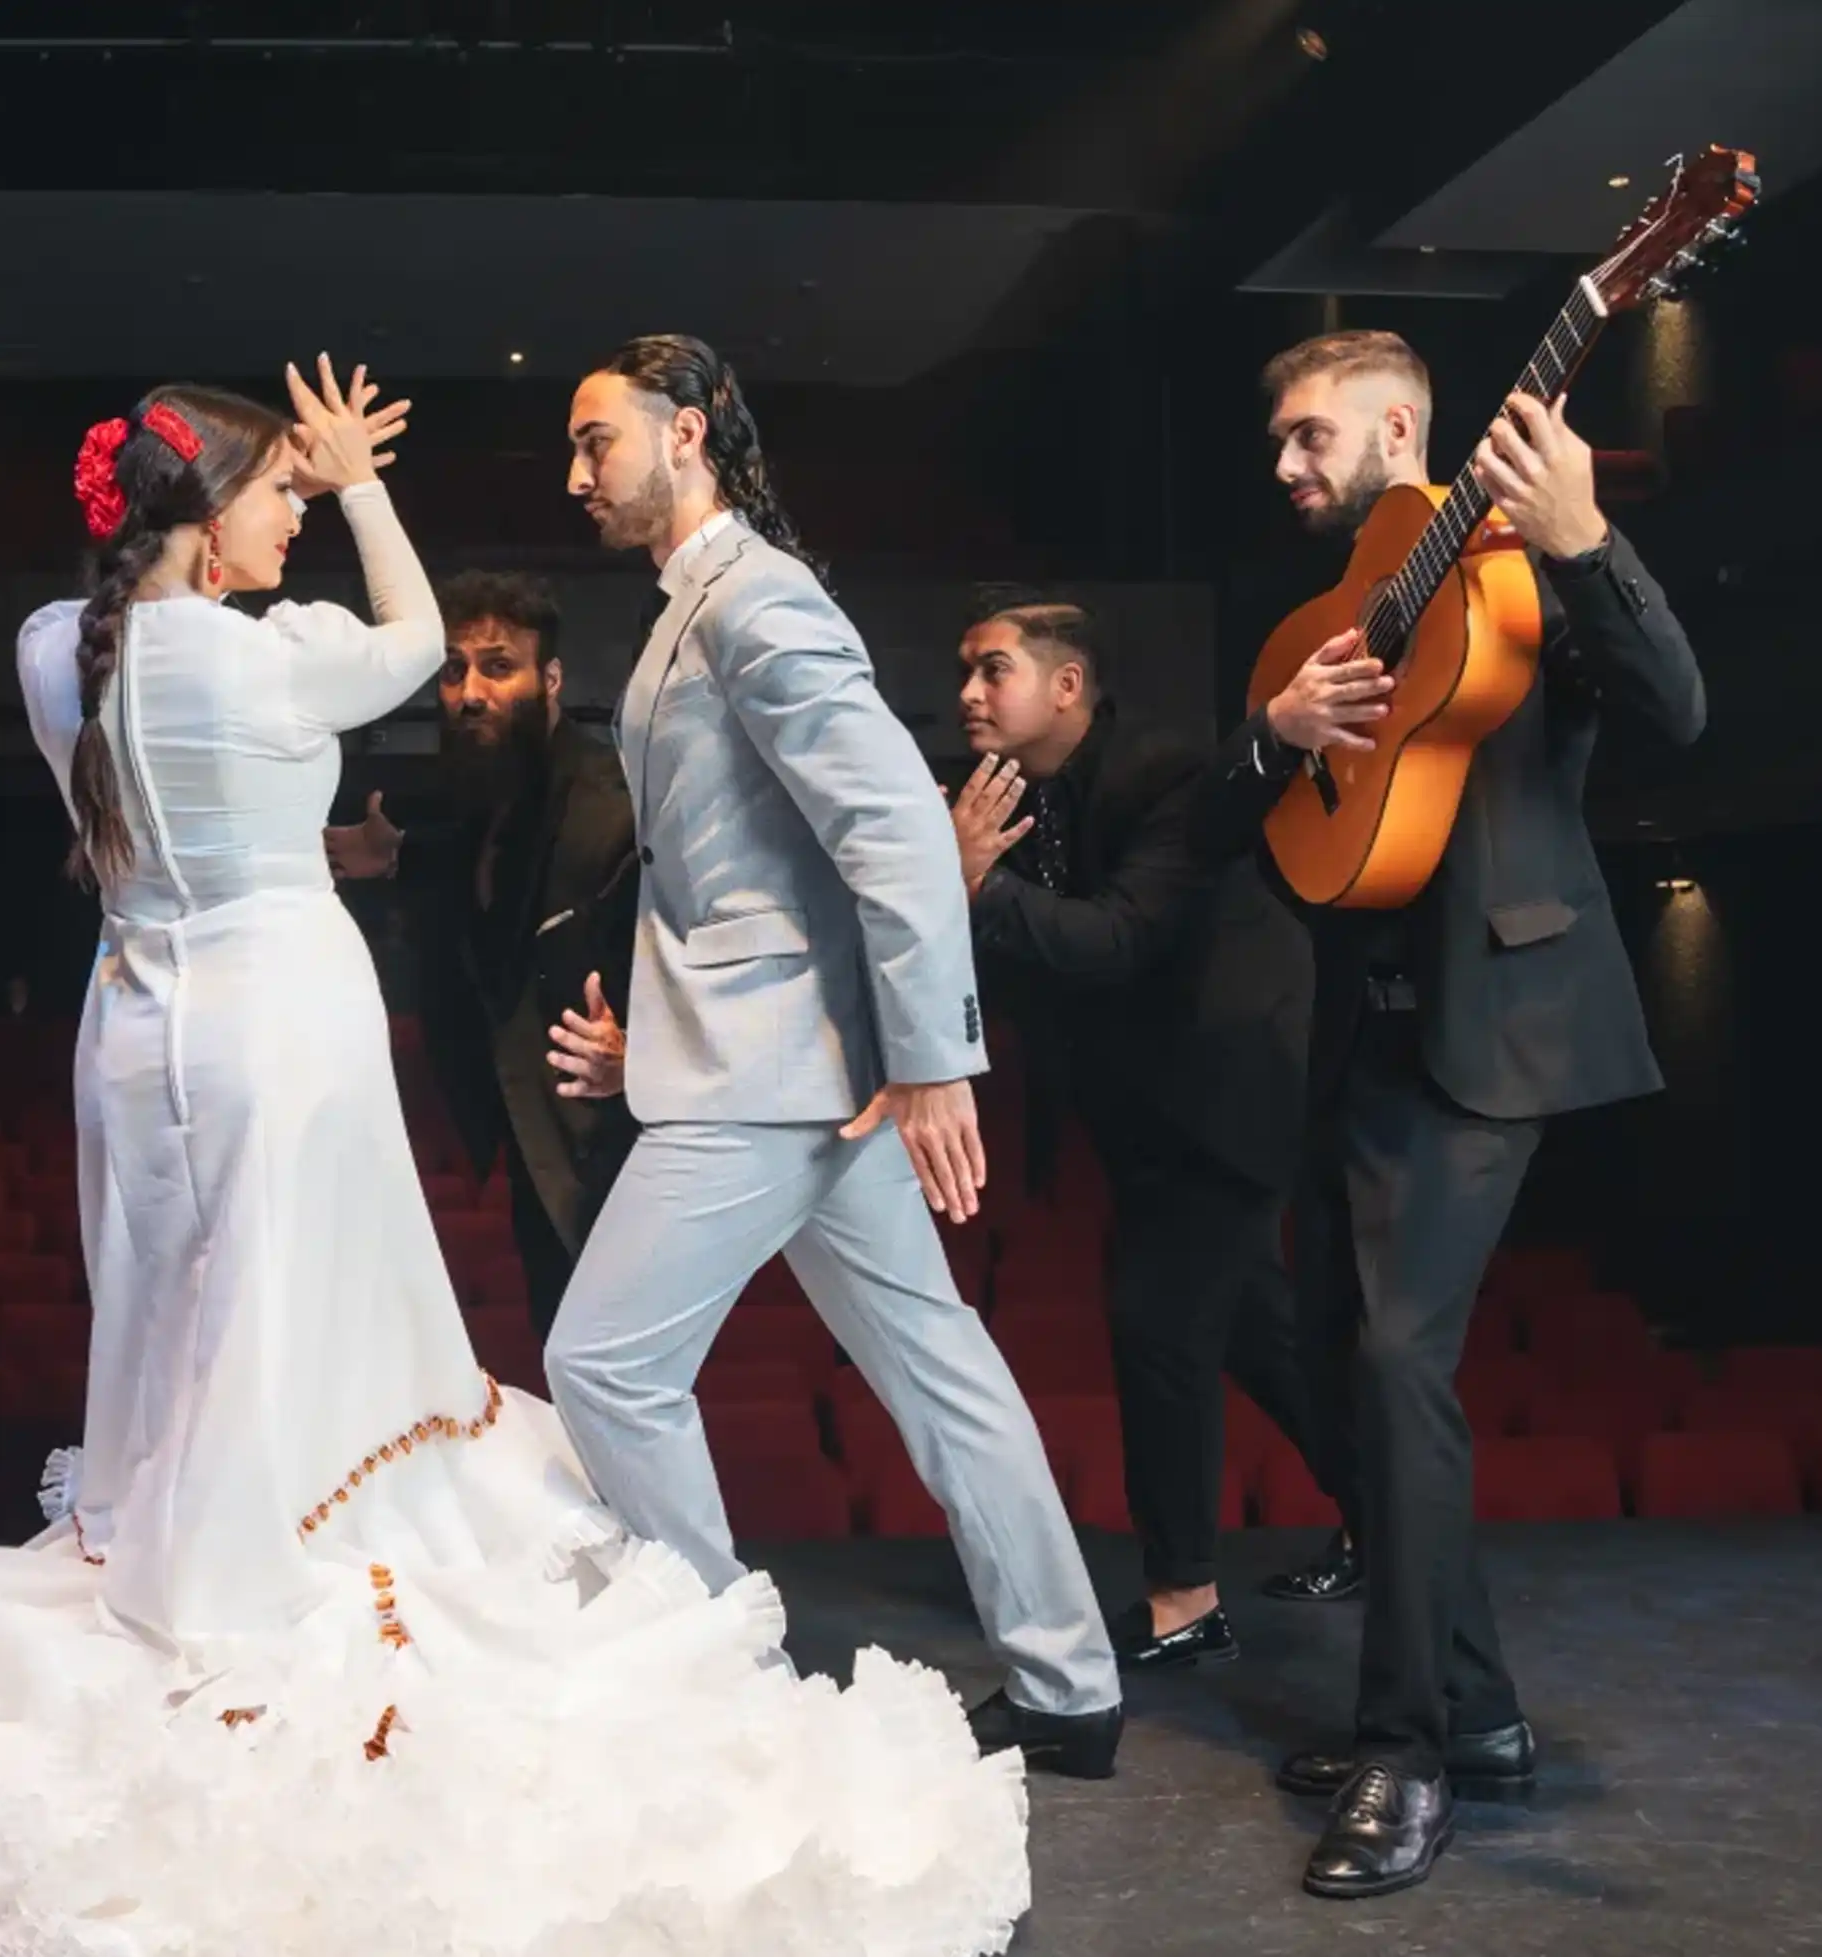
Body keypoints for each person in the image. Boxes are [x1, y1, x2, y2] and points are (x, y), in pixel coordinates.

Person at [0, 359, 1032, 1957]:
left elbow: (157, 755)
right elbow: (404, 645)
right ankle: (292, 1550)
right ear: (203, 511)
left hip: (130, 1028)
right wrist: (368, 483)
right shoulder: (272, 661)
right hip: (280, 1023)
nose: (297, 514)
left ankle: (182, 1537)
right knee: (301, 1304)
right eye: (279, 496)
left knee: (178, 1307)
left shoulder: (62, 651)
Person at [538, 334, 1123, 1786]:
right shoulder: (701, 604)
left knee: (599, 1362)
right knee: (940, 1370)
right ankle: (1067, 1686)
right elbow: (739, 868)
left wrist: (933, 1061)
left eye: (593, 440)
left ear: (683, 438)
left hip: (773, 1074)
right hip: (769, 1055)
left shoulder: (759, 600)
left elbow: (896, 830)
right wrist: (651, 1044)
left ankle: (722, 1683)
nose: (572, 474)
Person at [1216, 329, 1704, 1898]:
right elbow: (1265, 807)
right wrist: (1271, 736)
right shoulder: (1323, 615)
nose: (1284, 465)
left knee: (1391, 1359)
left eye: (1307, 437)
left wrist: (1587, 540)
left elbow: (1676, 707)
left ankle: (1407, 1752)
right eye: (1278, 441)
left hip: (1499, 1020)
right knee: (1344, 1377)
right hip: (1355, 1034)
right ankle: (1479, 1718)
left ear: (1398, 426)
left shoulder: (1510, 563)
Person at [944, 597, 1343, 1669]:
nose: (969, 695)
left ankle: (1185, 1595)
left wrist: (970, 882)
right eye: (968, 675)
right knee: (1265, 1335)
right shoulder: (1012, 793)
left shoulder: (1165, 774)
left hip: (1229, 1091)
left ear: (1067, 686)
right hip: (1145, 1107)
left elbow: (1116, 940)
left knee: (1155, 1320)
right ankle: (1385, 1520)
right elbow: (1029, 963)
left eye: (993, 671)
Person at [323, 570, 639, 1335]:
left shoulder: (615, 805)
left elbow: (701, 952)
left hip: (622, 1154)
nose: (470, 691)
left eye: (500, 667)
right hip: (535, 1150)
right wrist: (389, 859)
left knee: (619, 1382)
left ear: (552, 680)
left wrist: (643, 1053)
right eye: (455, 669)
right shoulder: (476, 800)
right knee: (566, 1369)